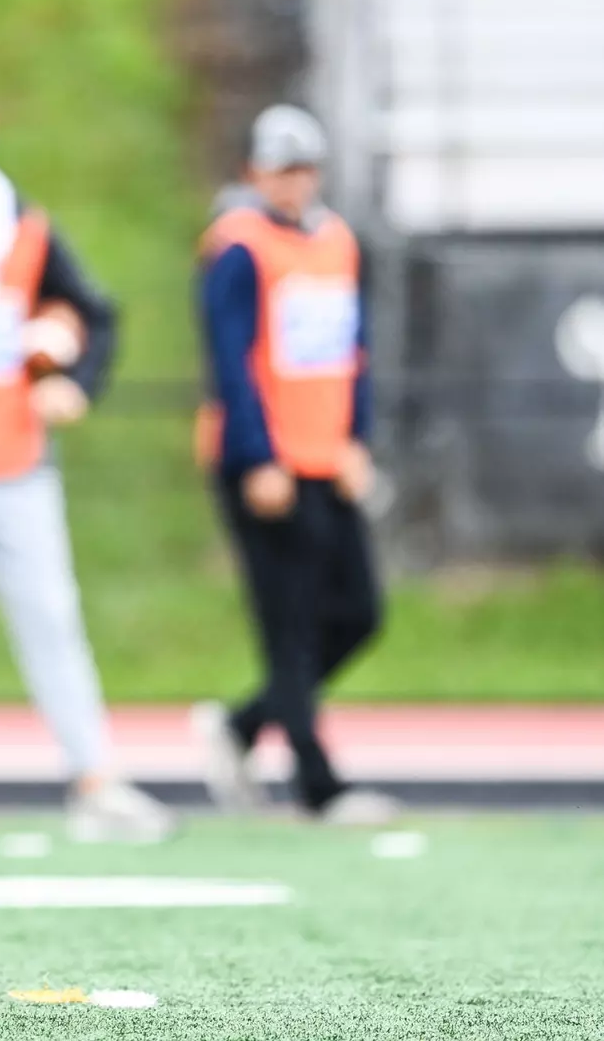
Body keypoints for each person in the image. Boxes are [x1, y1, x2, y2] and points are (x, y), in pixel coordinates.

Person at [0, 65, 174, 843]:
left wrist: (74, 373)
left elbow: (90, 312)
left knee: (52, 621)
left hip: (15, 463)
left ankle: (93, 776)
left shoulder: (25, 221)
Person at [191, 104, 399, 826]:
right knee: (291, 626)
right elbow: (230, 361)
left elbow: (354, 349)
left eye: (304, 168)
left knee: (358, 613)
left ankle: (243, 727)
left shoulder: (336, 239)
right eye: (282, 169)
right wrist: (257, 456)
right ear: (255, 173)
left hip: (325, 455)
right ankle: (319, 785)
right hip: (269, 461)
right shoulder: (238, 246)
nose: (294, 182)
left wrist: (357, 440)